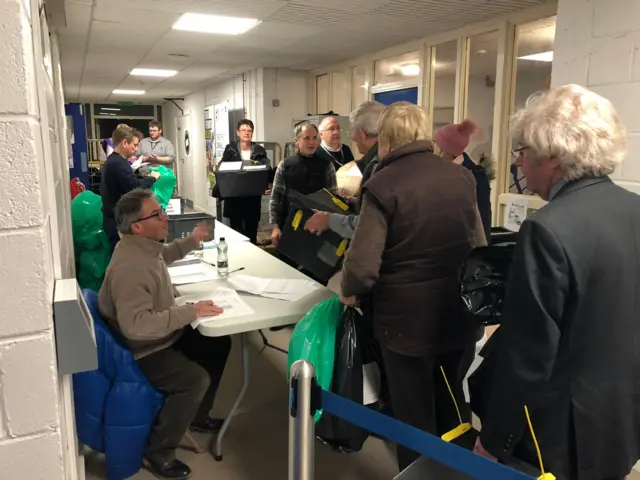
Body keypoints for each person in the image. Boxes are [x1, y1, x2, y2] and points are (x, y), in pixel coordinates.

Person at [473, 85, 640, 480]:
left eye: (522, 152)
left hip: (559, 433)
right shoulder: (635, 209)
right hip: (621, 416)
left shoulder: (547, 229)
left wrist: (494, 439)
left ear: (552, 156)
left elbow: (528, 355)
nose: (518, 164)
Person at [340, 102, 484, 472]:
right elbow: (479, 246)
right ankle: (457, 474)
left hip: (406, 324)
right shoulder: (461, 177)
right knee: (453, 404)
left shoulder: (383, 183)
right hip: (460, 315)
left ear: (386, 137)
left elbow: (362, 264)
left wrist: (350, 289)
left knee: (413, 415)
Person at [99, 189, 231, 480]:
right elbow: (137, 327)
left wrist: (192, 240)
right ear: (137, 226)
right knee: (194, 380)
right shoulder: (130, 268)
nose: (165, 216)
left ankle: (197, 416)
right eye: (156, 214)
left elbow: (164, 255)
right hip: (144, 347)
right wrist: (189, 311)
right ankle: (159, 452)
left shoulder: (141, 247)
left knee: (217, 342)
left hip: (160, 335)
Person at [304, 101, 385, 239]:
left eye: (340, 128)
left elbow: (372, 222)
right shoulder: (385, 159)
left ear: (362, 133)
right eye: (331, 129)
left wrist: (330, 220)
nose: (352, 138)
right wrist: (357, 201)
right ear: (321, 135)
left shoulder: (377, 165)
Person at [269, 121, 336, 247]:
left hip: (317, 229)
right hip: (288, 225)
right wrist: (275, 227)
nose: (312, 142)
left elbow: (332, 199)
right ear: (297, 141)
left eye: (314, 138)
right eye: (306, 138)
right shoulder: (285, 166)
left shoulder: (327, 165)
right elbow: (276, 199)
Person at [435, 119, 494, 245]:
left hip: (466, 252)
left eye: (436, 143)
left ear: (443, 150)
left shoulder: (475, 177)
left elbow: (483, 222)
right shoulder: (445, 171)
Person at [100, 125, 159, 249]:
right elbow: (134, 187)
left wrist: (144, 178)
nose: (136, 149)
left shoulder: (114, 161)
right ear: (125, 143)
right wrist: (152, 177)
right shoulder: (118, 163)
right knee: (124, 257)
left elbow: (127, 182)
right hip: (117, 220)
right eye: (135, 145)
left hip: (113, 217)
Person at [216, 119, 269, 244]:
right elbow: (223, 168)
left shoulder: (259, 150)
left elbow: (266, 170)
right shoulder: (230, 149)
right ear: (238, 133)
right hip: (235, 197)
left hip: (252, 198)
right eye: (243, 130)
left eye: (249, 130)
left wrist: (266, 185)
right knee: (236, 232)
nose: (246, 133)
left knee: (252, 231)